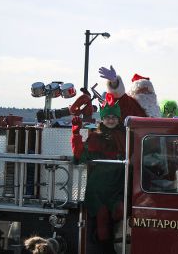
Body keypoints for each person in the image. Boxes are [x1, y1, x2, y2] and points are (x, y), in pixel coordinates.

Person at [71, 93, 125, 254]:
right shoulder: (95, 137)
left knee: (119, 211)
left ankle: (116, 243)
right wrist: (76, 133)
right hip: (98, 189)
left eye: (113, 117)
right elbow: (81, 156)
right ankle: (103, 247)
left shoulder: (125, 136)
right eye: (107, 117)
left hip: (117, 187)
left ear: (118, 118)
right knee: (101, 217)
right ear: (102, 118)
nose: (110, 120)